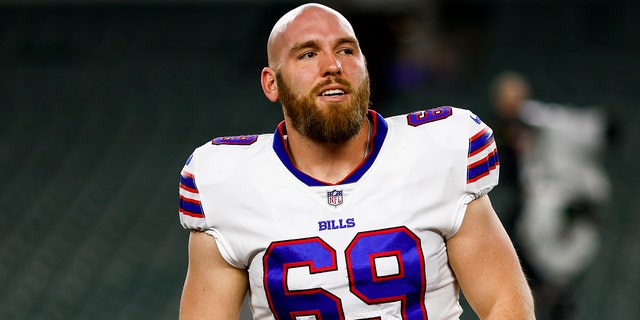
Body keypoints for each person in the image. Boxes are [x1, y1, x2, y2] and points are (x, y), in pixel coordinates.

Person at [177, 3, 534, 319]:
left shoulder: (439, 152)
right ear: (272, 83)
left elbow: (505, 302)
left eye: (346, 50)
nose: (332, 65)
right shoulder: (226, 182)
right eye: (307, 54)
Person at [489, 71, 611, 320]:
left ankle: (552, 295)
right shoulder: (498, 132)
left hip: (560, 197)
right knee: (515, 237)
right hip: (536, 203)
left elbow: (586, 126)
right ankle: (548, 295)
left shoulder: (539, 119)